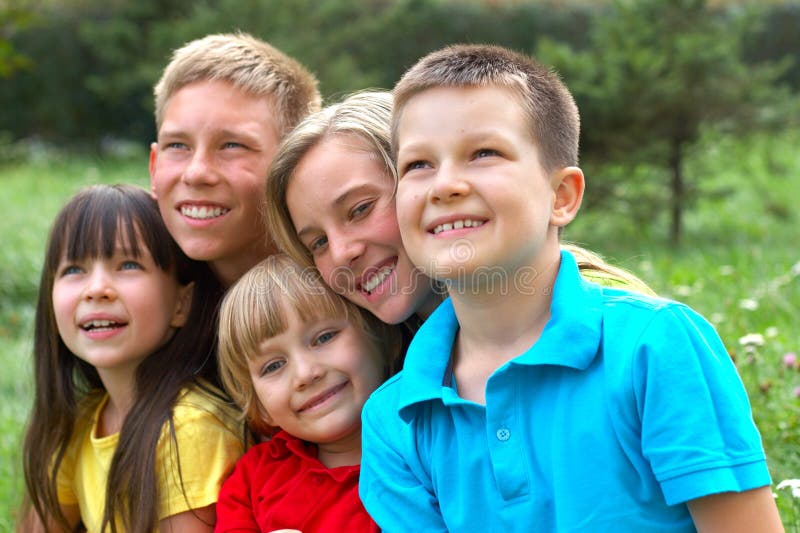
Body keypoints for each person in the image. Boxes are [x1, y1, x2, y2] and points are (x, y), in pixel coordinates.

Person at [359, 44, 783, 532]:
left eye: (483, 153)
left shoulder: (655, 345)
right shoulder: (395, 421)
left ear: (562, 197)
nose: (445, 185)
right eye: (418, 165)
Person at [264, 91, 652, 328]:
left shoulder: (612, 315)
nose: (342, 251)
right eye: (317, 242)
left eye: (360, 209)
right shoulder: (378, 364)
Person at [20, 185, 244, 533]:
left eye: (127, 264)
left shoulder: (188, 428)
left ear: (182, 304)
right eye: (73, 270)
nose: (96, 289)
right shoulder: (79, 422)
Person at [214, 254, 401, 532]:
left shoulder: (424, 450)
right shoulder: (251, 482)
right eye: (274, 366)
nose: (305, 374)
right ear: (260, 405)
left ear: (378, 335)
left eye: (324, 337)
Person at [149, 32, 322, 287]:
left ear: (294, 168)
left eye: (231, 146)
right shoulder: (138, 298)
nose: (196, 173)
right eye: (177, 145)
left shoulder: (349, 288)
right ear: (153, 167)